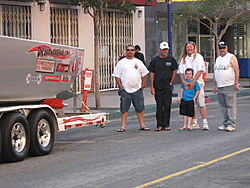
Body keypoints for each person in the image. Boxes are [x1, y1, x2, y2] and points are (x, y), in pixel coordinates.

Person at [112, 45, 150, 132]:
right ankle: (123, 126)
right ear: (126, 51)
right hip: (125, 90)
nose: (130, 51)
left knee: (140, 108)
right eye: (128, 50)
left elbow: (144, 73)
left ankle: (142, 125)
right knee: (124, 109)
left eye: (132, 50)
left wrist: (143, 84)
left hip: (137, 89)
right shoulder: (121, 62)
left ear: (134, 51)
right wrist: (121, 87)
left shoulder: (138, 62)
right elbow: (116, 75)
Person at [178, 41, 209, 130]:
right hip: (187, 85)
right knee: (191, 104)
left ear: (194, 48)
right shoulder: (183, 58)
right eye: (187, 47)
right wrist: (184, 82)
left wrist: (193, 82)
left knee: (201, 103)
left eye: (191, 47)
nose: (189, 49)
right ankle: (194, 122)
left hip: (197, 83)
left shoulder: (198, 57)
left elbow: (200, 70)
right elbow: (181, 72)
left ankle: (205, 122)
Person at [148, 42, 178, 131]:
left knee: (167, 105)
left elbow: (174, 71)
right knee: (159, 106)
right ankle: (159, 125)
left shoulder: (171, 59)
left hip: (167, 86)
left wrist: (171, 81)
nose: (165, 51)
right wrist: (152, 86)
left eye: (166, 49)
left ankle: (166, 124)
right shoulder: (155, 60)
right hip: (158, 86)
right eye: (163, 49)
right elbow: (152, 73)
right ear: (159, 50)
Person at [212, 41, 240, 132]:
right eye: (220, 48)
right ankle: (225, 122)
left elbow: (236, 70)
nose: (222, 50)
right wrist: (214, 85)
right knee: (223, 106)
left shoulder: (231, 57)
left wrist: (236, 83)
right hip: (220, 86)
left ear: (227, 48)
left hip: (229, 85)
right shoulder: (218, 59)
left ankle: (231, 124)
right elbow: (215, 72)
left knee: (230, 105)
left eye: (223, 48)